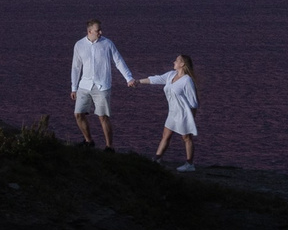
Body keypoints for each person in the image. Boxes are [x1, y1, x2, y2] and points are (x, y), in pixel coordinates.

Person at [69, 20, 135, 148]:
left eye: (100, 30)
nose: (101, 32)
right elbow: (76, 67)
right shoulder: (79, 45)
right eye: (97, 30)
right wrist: (74, 87)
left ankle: (109, 146)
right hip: (84, 85)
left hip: (102, 86)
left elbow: (118, 61)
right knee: (78, 114)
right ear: (89, 31)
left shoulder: (107, 44)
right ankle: (89, 141)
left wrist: (129, 78)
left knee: (103, 117)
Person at [143, 55, 200, 170]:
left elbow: (193, 102)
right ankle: (157, 159)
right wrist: (138, 81)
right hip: (172, 112)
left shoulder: (187, 80)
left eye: (177, 60)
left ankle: (190, 164)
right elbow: (156, 79)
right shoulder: (171, 75)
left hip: (183, 114)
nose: (174, 62)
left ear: (182, 64)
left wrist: (192, 119)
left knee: (186, 138)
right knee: (166, 136)